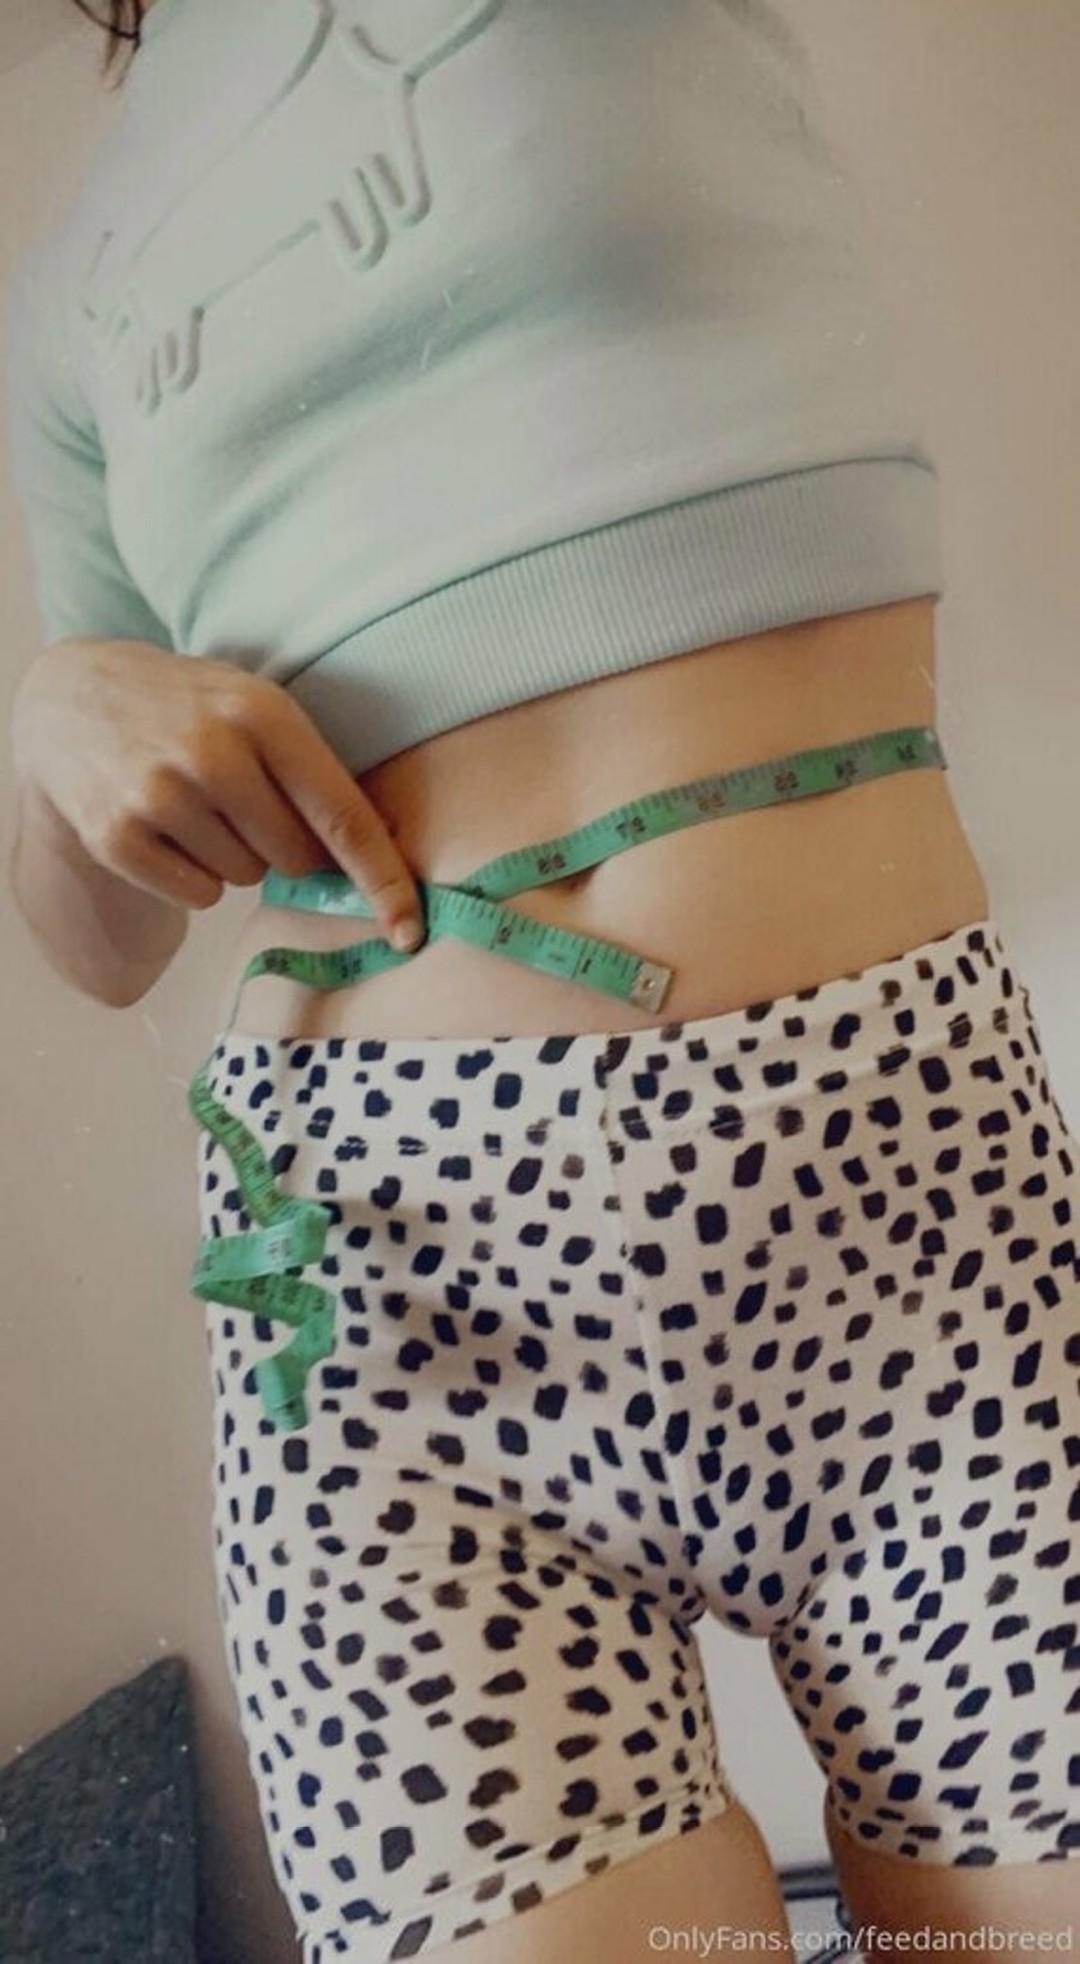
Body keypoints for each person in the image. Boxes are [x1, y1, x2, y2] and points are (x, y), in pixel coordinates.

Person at [5, 2, 1077, 1960]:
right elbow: (102, 940)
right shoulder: (65, 295)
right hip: (380, 1328)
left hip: (903, 1209)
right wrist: (55, 713)